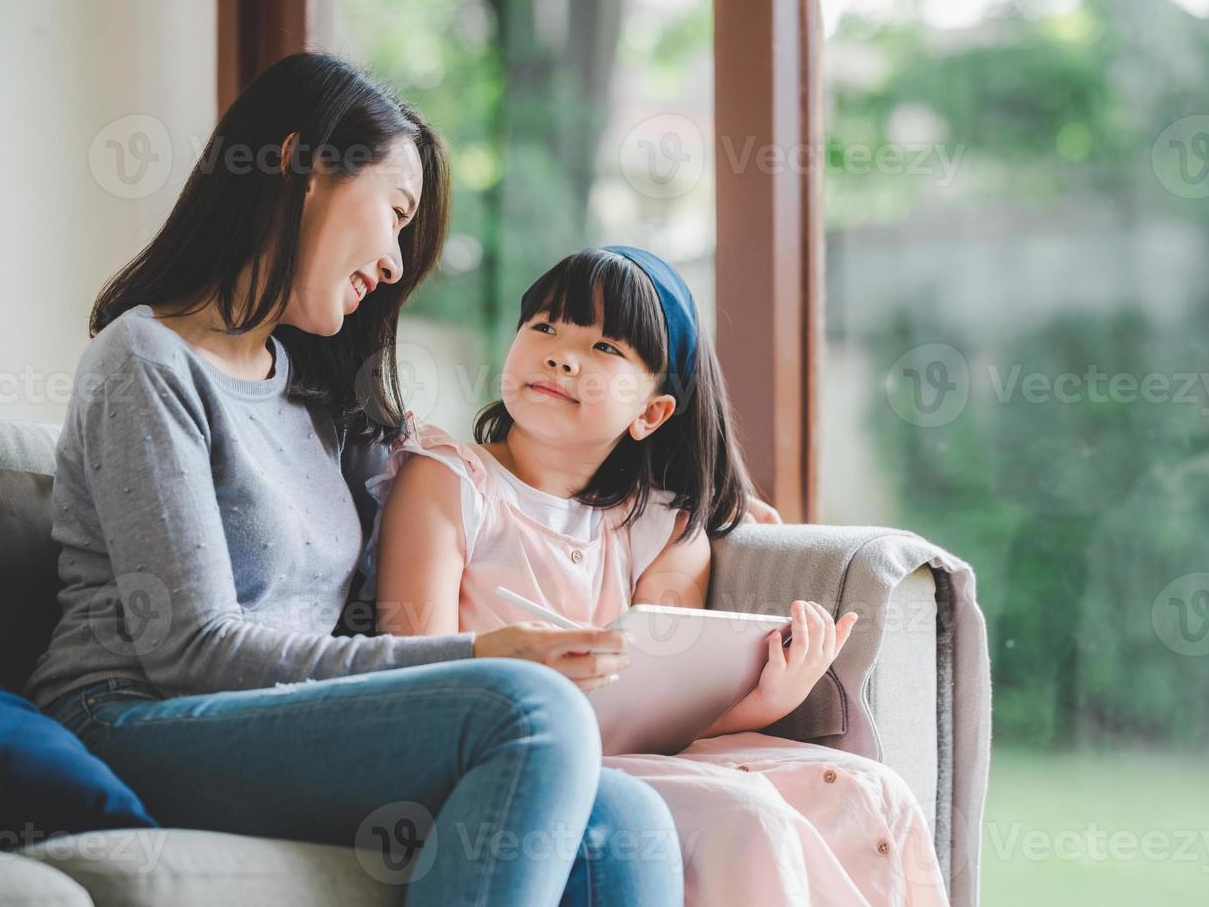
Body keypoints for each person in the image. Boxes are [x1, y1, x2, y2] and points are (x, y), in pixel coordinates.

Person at [24, 53, 737, 905]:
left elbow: (504, 467)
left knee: (628, 817)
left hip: (267, 725)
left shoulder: (320, 396)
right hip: (132, 719)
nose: (397, 265)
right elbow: (190, 652)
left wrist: (692, 492)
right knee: (525, 710)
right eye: (397, 214)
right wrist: (478, 654)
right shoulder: (145, 360)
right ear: (300, 166)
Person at [371, 246, 949, 905]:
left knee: (869, 790)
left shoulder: (661, 527)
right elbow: (417, 669)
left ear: (651, 413)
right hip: (510, 754)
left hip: (635, 756)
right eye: (545, 327)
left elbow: (665, 712)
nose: (561, 354)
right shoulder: (449, 481)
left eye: (606, 348)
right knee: (742, 815)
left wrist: (769, 698)